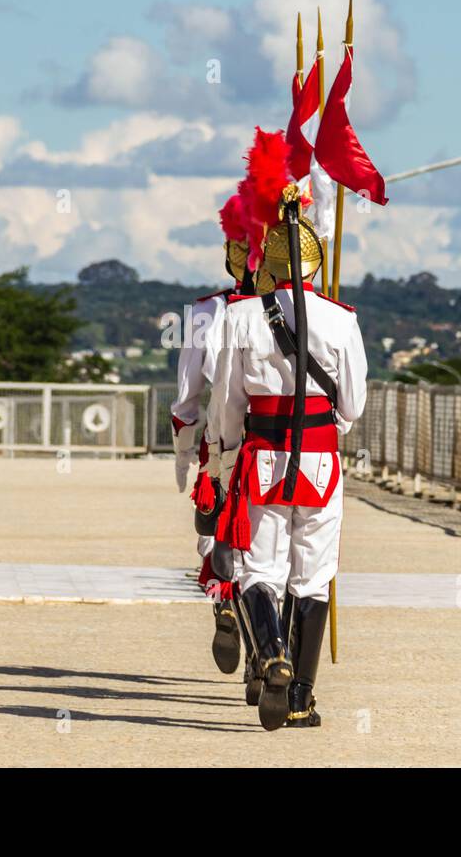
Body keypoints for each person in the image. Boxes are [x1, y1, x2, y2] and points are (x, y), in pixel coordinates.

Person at [210, 129, 368, 731]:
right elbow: (352, 402)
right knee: (314, 573)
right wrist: (332, 427)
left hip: (264, 456)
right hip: (322, 460)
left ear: (266, 260)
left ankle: (269, 651)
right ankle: (300, 695)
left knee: (260, 569)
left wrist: (226, 451)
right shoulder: (342, 320)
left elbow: (227, 399)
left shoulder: (240, 317)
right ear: (316, 259)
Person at [171, 235, 262, 688]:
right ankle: (264, 655)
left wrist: (184, 451)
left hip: (219, 444)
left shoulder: (207, 311)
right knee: (269, 555)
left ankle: (227, 606)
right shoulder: (307, 309)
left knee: (219, 546)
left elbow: (187, 394)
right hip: (278, 441)